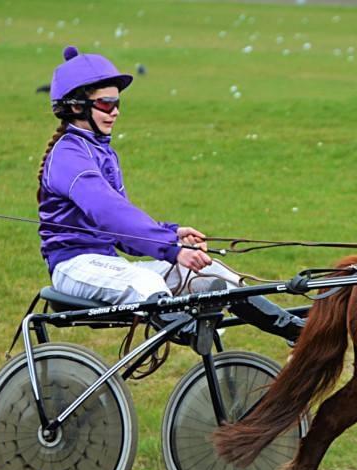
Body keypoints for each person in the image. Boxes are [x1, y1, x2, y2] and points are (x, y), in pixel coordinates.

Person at [37, 46, 304, 342]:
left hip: (107, 263)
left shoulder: (101, 151)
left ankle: (298, 333)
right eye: (106, 104)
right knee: (145, 282)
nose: (115, 112)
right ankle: (198, 335)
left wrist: (172, 234)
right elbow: (110, 214)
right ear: (76, 107)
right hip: (74, 267)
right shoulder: (69, 156)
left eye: (117, 103)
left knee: (214, 274)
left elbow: (121, 232)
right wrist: (171, 248)